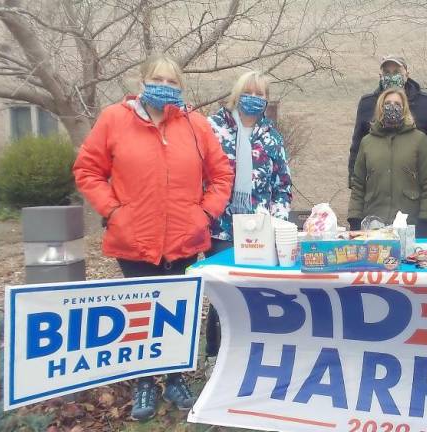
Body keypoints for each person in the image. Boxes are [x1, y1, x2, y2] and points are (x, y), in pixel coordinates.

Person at [73, 53, 234, 420]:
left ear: (181, 87)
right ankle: (144, 382)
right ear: (142, 82)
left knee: (178, 313)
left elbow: (221, 174)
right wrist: (114, 212)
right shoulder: (114, 119)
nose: (165, 86)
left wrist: (204, 214)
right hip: (134, 240)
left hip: (184, 240)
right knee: (140, 314)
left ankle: (175, 377)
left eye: (173, 81)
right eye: (158, 79)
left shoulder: (195, 125)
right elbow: (88, 170)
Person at [203, 70, 292, 372]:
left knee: (254, 295)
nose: (254, 98)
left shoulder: (272, 136)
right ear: (237, 93)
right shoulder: (212, 129)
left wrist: (276, 223)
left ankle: (250, 355)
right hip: (221, 229)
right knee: (222, 296)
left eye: (261, 94)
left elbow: (282, 185)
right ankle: (214, 356)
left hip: (260, 231)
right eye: (249, 92)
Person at [348, 88, 427, 237]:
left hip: (409, 224)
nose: (392, 106)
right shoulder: (367, 142)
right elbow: (358, 184)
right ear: (380, 108)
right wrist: (355, 217)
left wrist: (425, 219)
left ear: (404, 109)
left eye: (397, 103)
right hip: (374, 223)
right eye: (388, 103)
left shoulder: (419, 139)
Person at [349, 55, 427, 186]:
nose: (391, 76)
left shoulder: (425, 103)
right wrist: (355, 182)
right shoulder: (367, 104)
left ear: (407, 74)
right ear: (380, 76)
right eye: (387, 72)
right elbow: (357, 147)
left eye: (396, 72)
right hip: (376, 188)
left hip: (413, 188)